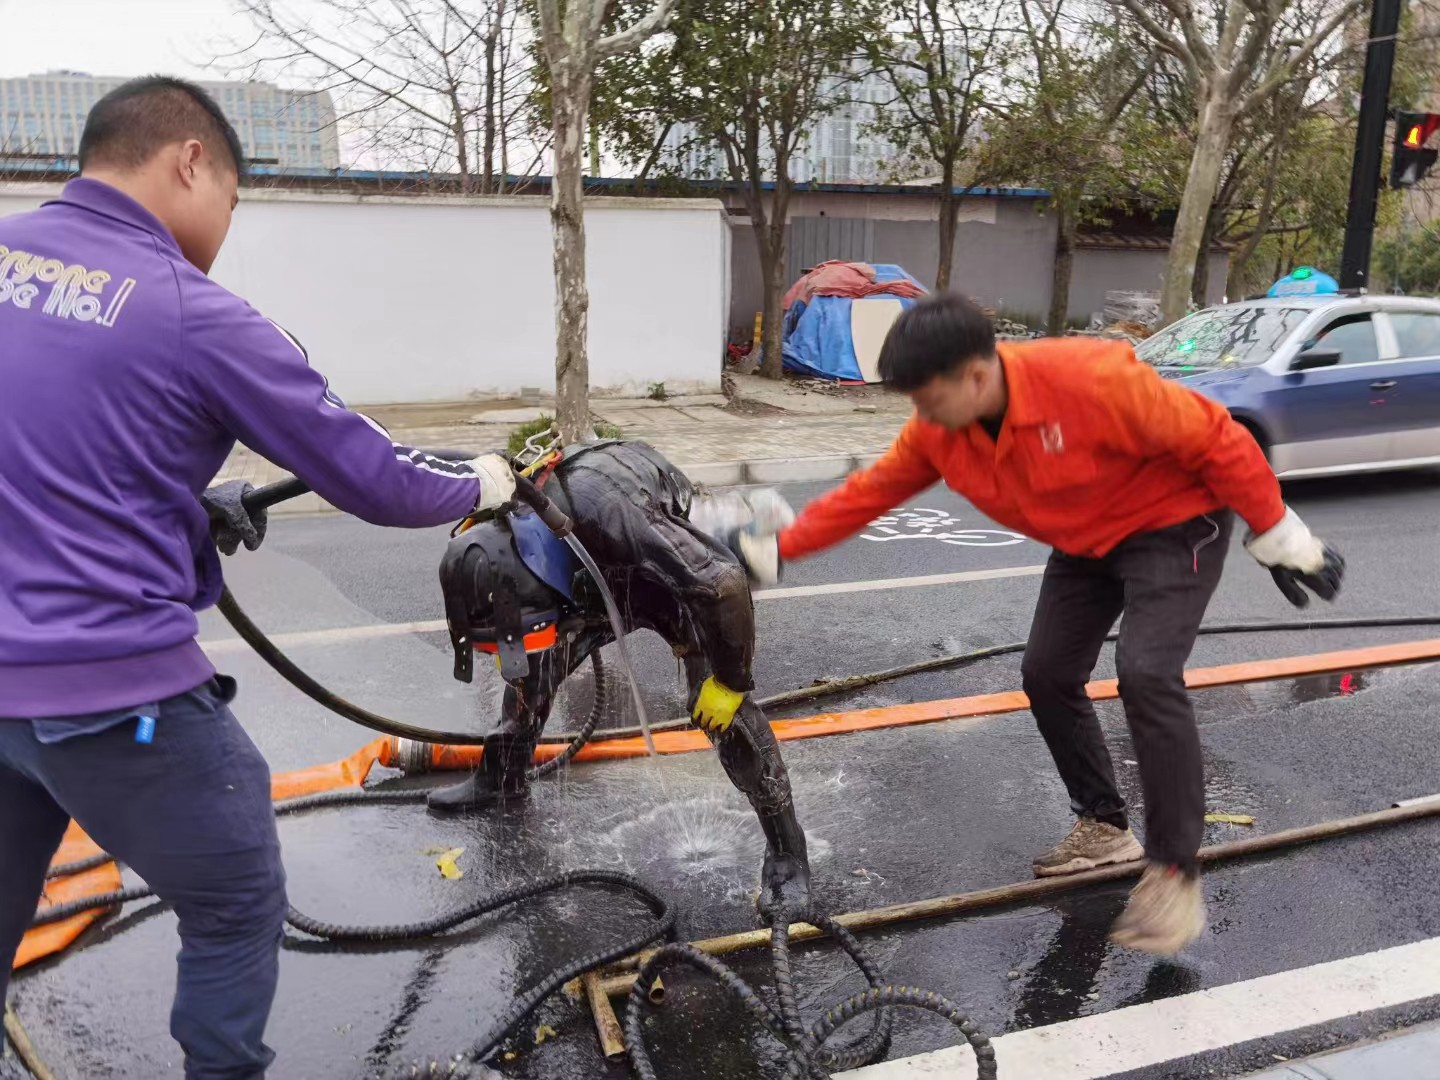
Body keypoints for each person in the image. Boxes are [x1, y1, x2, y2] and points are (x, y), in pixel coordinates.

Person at [0, 77, 516, 1079]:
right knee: (236, 899)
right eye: (231, 202)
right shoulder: (194, 312)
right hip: (118, 703)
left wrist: (182, 504)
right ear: (189, 160)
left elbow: (46, 449)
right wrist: (481, 483)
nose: (224, 232)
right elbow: (371, 475)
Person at [728, 292, 1344, 955]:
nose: (922, 416)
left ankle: (1173, 871)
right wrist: (773, 549)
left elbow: (1220, 438)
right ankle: (1105, 827)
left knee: (1145, 673)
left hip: (1171, 525)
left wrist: (1279, 532)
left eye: (929, 397)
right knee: (1047, 673)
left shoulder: (1090, 379)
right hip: (1085, 542)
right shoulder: (940, 431)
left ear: (977, 375)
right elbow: (867, 493)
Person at [421, 439, 811, 921]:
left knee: (715, 709)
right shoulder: (504, 517)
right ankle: (502, 777)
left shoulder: (621, 521)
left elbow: (722, 585)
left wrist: (730, 683)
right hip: (592, 571)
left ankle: (787, 851)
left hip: (662, 579)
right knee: (537, 669)